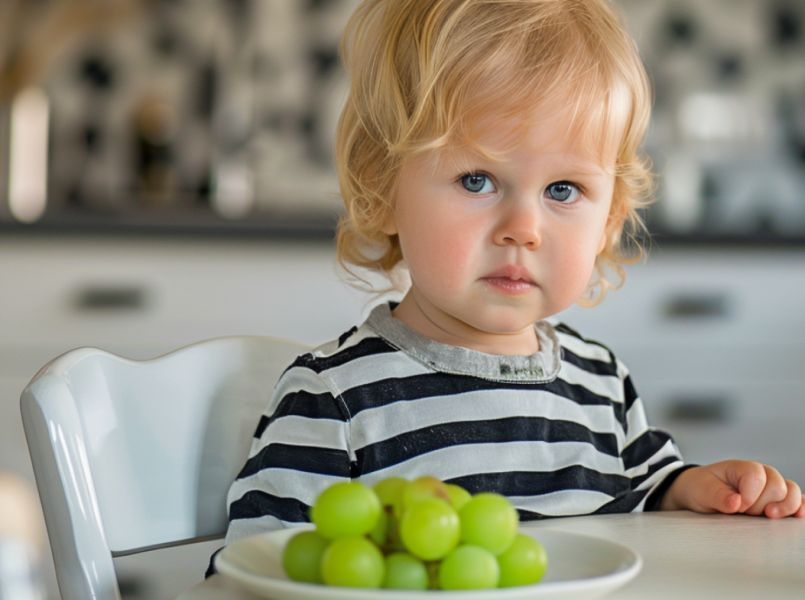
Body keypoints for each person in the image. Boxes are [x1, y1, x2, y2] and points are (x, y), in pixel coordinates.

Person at [223, 0, 804, 547]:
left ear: (609, 220)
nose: (523, 228)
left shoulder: (603, 384)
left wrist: (690, 490)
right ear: (383, 189)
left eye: (563, 189)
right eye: (477, 179)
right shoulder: (332, 400)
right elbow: (258, 568)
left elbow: (641, 496)